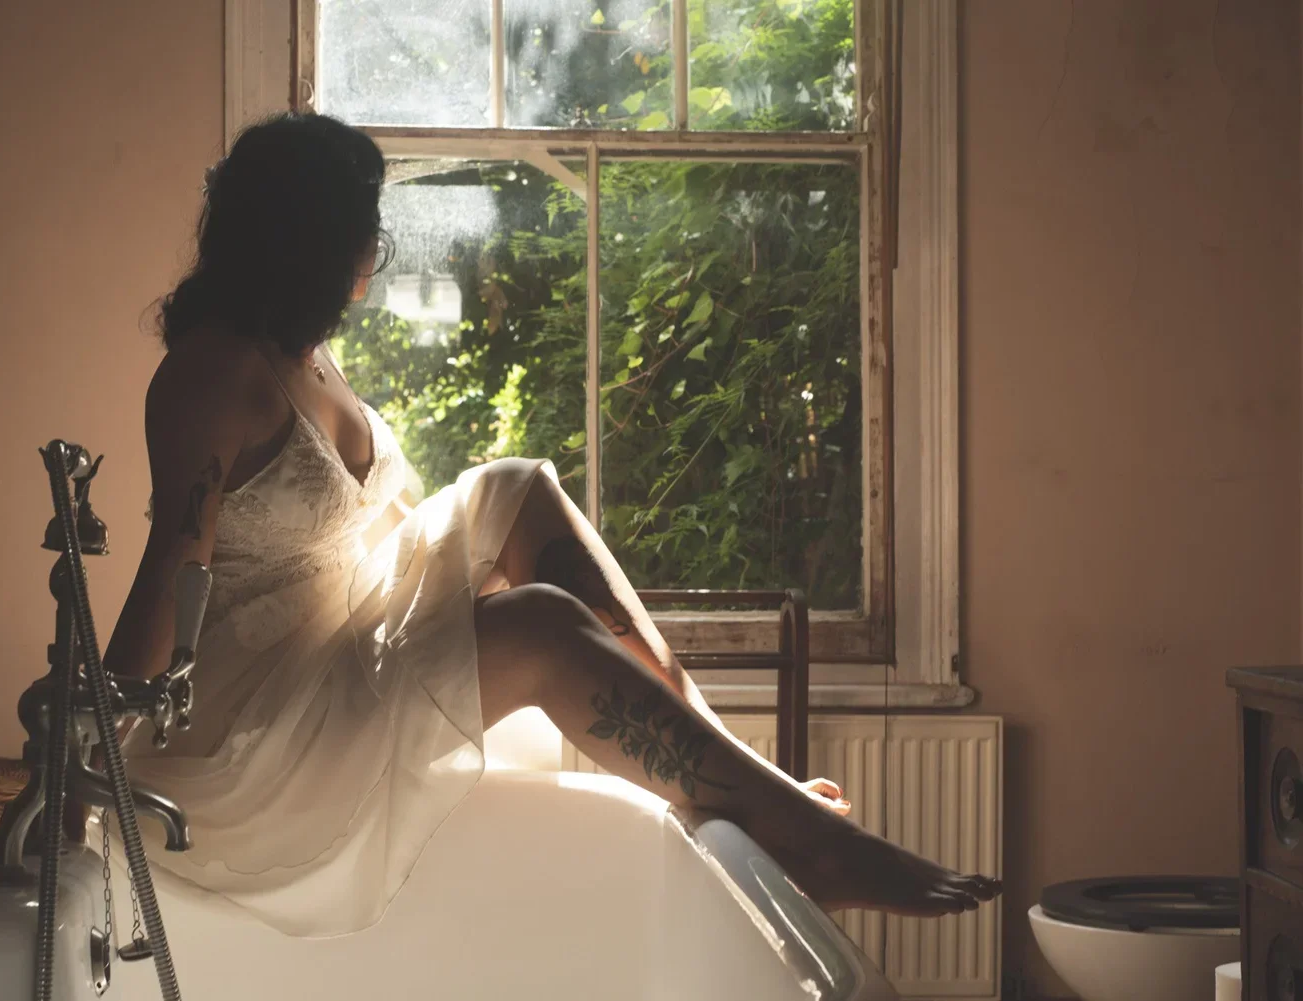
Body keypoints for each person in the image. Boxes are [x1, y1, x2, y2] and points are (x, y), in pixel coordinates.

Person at [95, 111, 1000, 936]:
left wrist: (462, 576)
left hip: (333, 640)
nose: (375, 249)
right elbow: (171, 579)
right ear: (310, 239)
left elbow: (375, 521)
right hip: (258, 724)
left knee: (513, 486)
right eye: (364, 229)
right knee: (537, 625)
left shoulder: (305, 351)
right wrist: (83, 762)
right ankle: (809, 838)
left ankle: (746, 777)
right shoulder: (211, 376)